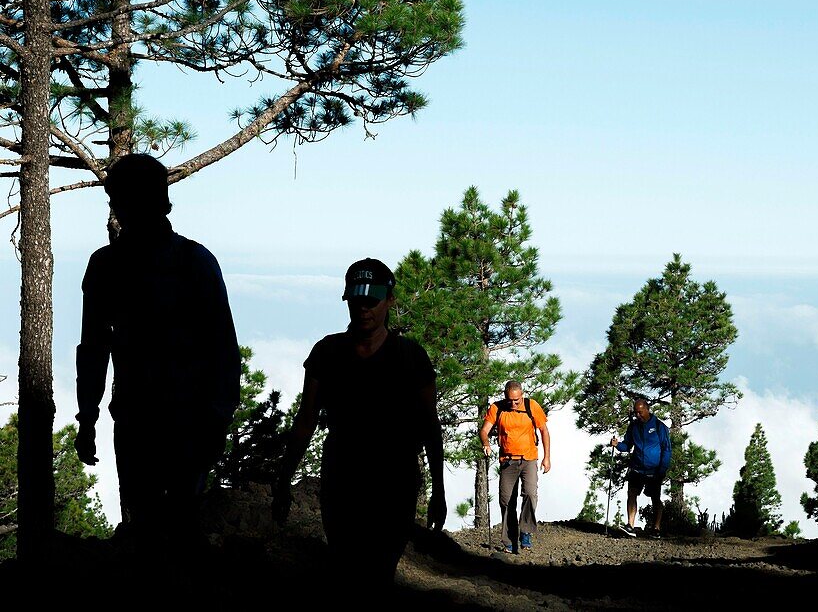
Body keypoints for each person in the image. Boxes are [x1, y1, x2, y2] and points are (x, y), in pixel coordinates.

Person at [75, 153, 241, 556]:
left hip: (157, 419)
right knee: (176, 530)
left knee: (154, 530)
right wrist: (219, 416)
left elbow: (93, 349)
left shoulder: (108, 264)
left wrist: (89, 417)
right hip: (174, 419)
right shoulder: (193, 260)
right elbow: (224, 347)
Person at [273, 257, 446, 593]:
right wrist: (283, 482)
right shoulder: (326, 353)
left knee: (380, 572)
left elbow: (429, 425)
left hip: (395, 483)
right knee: (345, 569)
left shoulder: (411, 357)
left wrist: (438, 489)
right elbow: (305, 420)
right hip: (342, 480)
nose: (363, 309)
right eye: (356, 301)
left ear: (389, 301)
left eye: (372, 301)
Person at [480, 380, 550, 554]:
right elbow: (484, 430)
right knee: (506, 500)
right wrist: (486, 443)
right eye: (510, 400)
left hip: (529, 459)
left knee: (530, 494)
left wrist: (547, 457)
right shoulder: (497, 408)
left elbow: (544, 431)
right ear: (505, 395)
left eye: (517, 400)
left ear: (522, 395)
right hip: (508, 461)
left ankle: (525, 530)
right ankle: (509, 539)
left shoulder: (531, 406)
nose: (513, 403)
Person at [610, 398, 671, 538]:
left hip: (654, 470)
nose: (638, 415)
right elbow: (627, 445)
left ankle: (656, 529)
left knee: (655, 498)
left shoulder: (659, 426)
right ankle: (630, 526)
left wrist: (662, 470)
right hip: (637, 468)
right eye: (636, 412)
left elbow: (667, 450)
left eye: (641, 412)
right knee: (632, 494)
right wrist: (617, 445)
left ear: (647, 409)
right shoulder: (633, 427)